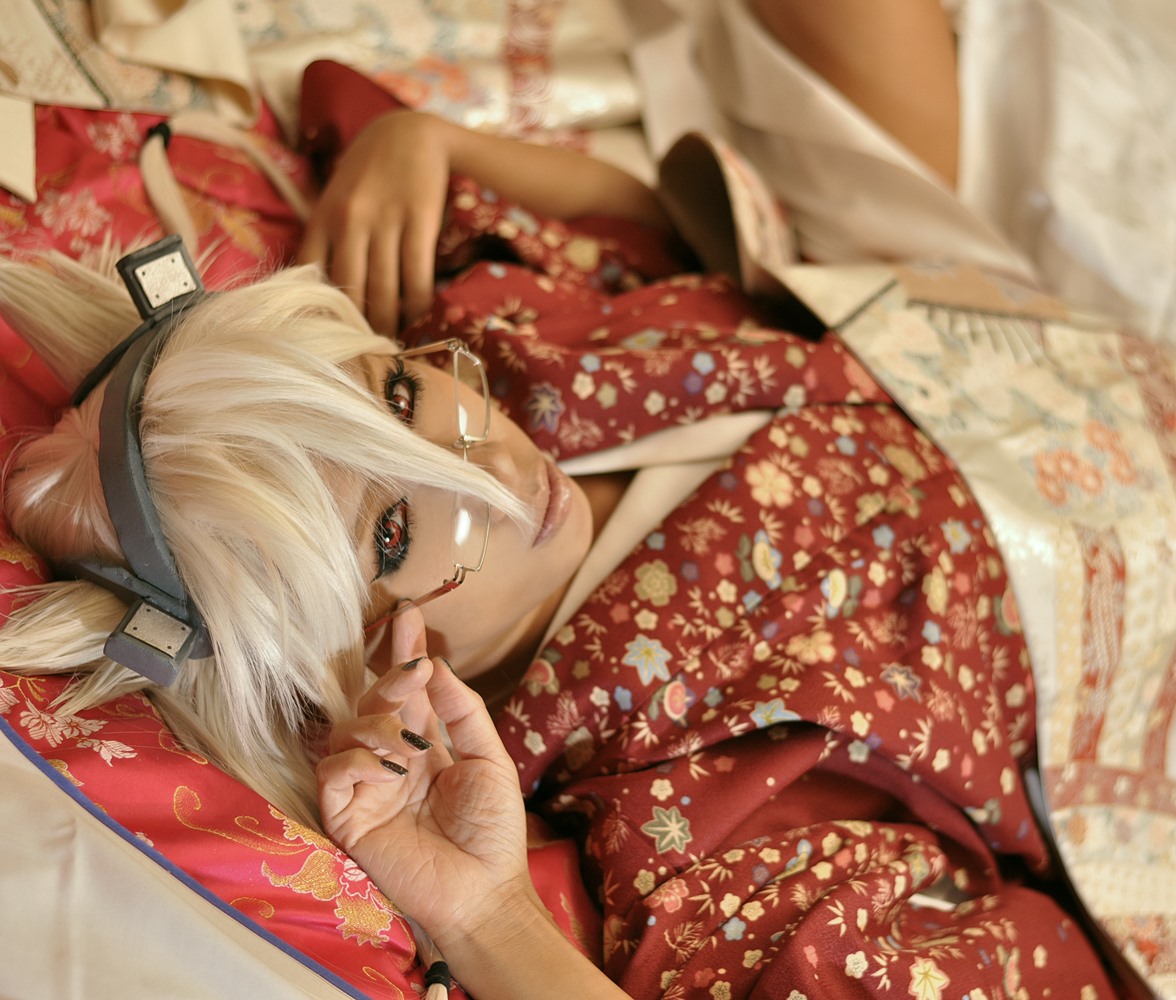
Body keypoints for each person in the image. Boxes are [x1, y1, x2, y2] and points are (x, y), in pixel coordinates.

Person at [0, 72, 1119, 999]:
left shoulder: (500, 334)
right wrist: (488, 915)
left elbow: (655, 227)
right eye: (397, 531)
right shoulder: (688, 788)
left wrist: (427, 139)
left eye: (401, 398)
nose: (493, 468)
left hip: (1018, 348)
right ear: (365, 655)